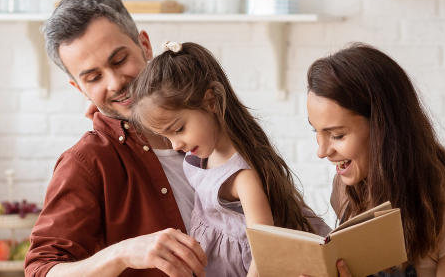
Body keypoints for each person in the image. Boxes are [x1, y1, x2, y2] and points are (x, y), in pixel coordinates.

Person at [25, 0, 208, 277]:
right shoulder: (86, 163)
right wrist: (122, 253)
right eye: (94, 77)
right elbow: (41, 270)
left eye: (119, 60)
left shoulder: (210, 117)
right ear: (79, 89)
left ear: (145, 46)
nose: (115, 83)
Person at [128, 41, 332, 277]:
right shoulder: (203, 154)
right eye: (166, 137)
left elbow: (265, 252)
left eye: (179, 129)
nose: (176, 145)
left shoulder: (242, 177)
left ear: (211, 101)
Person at [303, 43, 445, 277]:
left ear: (384, 128)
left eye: (337, 135)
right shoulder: (345, 189)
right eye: (316, 132)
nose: (321, 151)